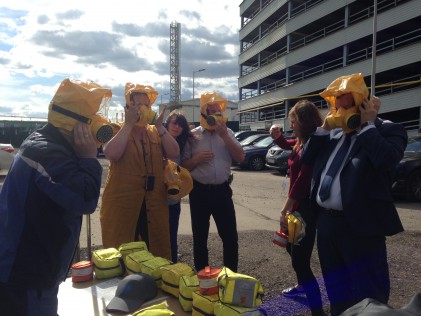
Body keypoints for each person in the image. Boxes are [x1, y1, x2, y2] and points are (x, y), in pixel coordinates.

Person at [0, 78, 110, 315]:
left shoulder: (48, 143)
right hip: (27, 273)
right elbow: (85, 199)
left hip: (33, 268)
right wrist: (90, 158)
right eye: (92, 117)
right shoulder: (48, 153)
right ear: (76, 123)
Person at [301, 73, 408, 316]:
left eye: (345, 101)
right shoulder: (333, 134)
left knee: (368, 295)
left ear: (362, 102)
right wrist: (324, 127)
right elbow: (306, 159)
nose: (339, 106)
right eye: (336, 101)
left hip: (361, 227)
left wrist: (367, 126)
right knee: (337, 291)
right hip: (327, 225)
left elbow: (387, 161)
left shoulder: (387, 130)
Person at [100, 83, 179, 260]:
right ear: (127, 107)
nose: (143, 108)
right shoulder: (116, 128)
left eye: (147, 105)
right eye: (138, 104)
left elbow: (174, 152)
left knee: (155, 252)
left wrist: (160, 127)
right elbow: (111, 153)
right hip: (123, 207)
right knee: (122, 253)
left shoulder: (155, 131)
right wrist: (128, 124)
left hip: (153, 205)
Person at [270, 100, 324, 316]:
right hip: (298, 205)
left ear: (303, 121)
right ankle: (303, 286)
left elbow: (302, 181)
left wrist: (286, 209)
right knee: (291, 248)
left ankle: (317, 310)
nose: (291, 124)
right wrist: (277, 137)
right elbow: (288, 144)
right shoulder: (302, 142)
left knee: (300, 261)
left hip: (305, 207)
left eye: (293, 120)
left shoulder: (314, 144)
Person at [181, 92, 244, 272]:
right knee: (200, 237)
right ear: (203, 114)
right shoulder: (193, 136)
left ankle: (230, 276)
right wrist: (196, 160)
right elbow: (184, 166)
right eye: (212, 111)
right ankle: (203, 276)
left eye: (219, 111)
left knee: (230, 237)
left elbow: (240, 157)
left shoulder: (228, 133)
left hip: (222, 191)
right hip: (199, 191)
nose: (216, 115)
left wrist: (224, 136)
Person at [165, 110, 195, 262]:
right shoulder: (157, 139)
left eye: (180, 125)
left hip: (173, 200)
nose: (177, 127)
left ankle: (172, 266)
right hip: (156, 199)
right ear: (168, 124)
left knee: (171, 235)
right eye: (174, 123)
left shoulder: (182, 144)